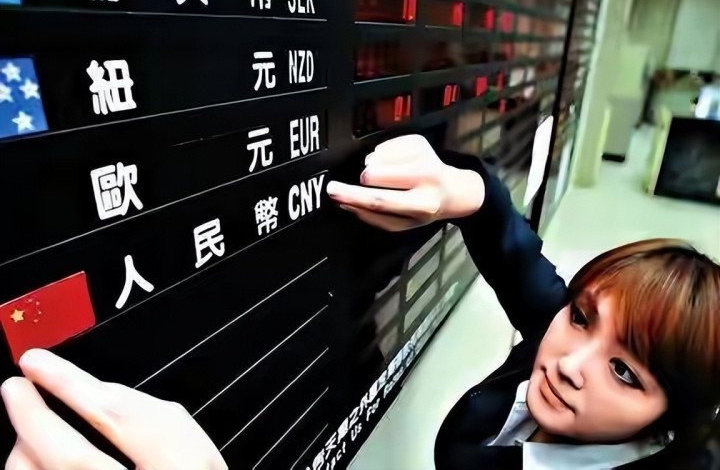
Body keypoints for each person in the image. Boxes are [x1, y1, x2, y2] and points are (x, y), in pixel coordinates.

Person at [2, 135, 719, 469]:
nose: (568, 362)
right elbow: (516, 256)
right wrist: (466, 190)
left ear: (668, 422)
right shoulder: (565, 343)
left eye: (625, 372)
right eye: (582, 316)